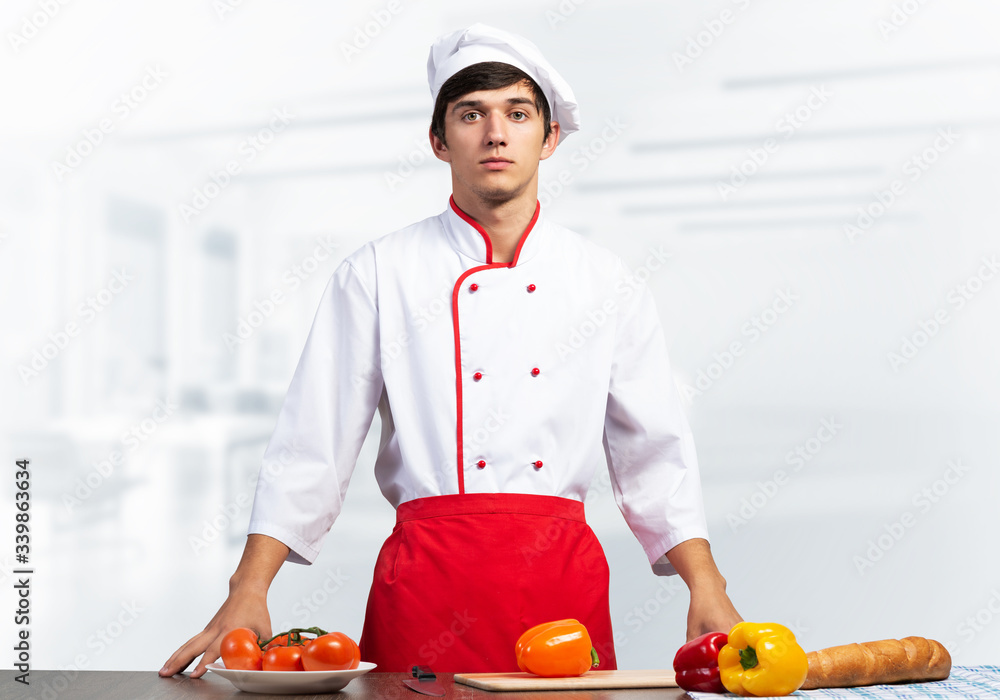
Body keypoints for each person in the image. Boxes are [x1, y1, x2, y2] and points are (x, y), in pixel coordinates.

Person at [159, 22, 742, 678]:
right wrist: (250, 588)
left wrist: (706, 585)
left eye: (518, 114)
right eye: (471, 115)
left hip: (560, 587)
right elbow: (311, 445)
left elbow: (654, 451)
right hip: (426, 585)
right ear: (439, 141)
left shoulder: (606, 284)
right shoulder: (378, 273)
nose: (496, 133)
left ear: (549, 138)